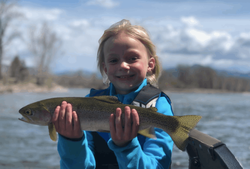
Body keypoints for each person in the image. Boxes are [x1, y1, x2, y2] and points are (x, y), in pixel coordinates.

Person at [52, 19, 174, 169]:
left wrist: (126, 146)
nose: (123, 65)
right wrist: (71, 141)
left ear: (150, 65)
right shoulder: (89, 103)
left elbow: (159, 165)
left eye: (132, 58)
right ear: (105, 68)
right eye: (114, 60)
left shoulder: (158, 105)